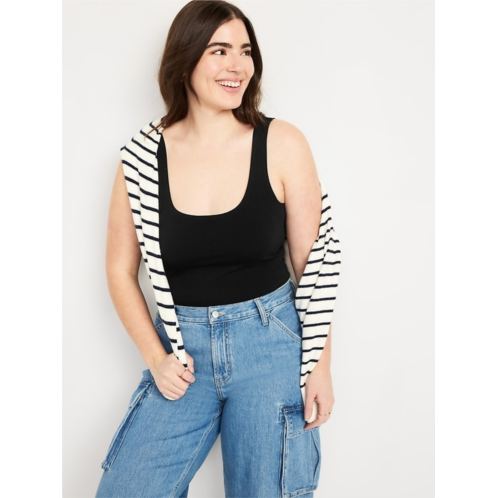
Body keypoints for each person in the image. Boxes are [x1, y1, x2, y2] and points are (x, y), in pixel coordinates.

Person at [95, 0, 341, 496]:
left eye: (245, 51)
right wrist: (156, 358)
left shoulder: (282, 142)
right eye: (220, 50)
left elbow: (312, 265)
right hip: (182, 351)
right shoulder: (140, 157)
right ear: (185, 59)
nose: (238, 66)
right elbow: (120, 269)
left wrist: (319, 367)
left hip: (270, 344)